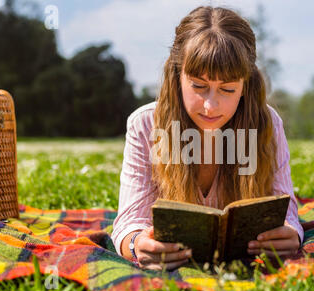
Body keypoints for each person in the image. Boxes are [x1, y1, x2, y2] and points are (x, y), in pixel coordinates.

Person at [111, 6, 303, 271]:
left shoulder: (268, 124)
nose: (210, 106)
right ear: (177, 76)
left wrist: (290, 233)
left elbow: (287, 210)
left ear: (245, 86)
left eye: (227, 89)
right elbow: (129, 221)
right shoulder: (144, 125)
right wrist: (136, 245)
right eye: (199, 86)